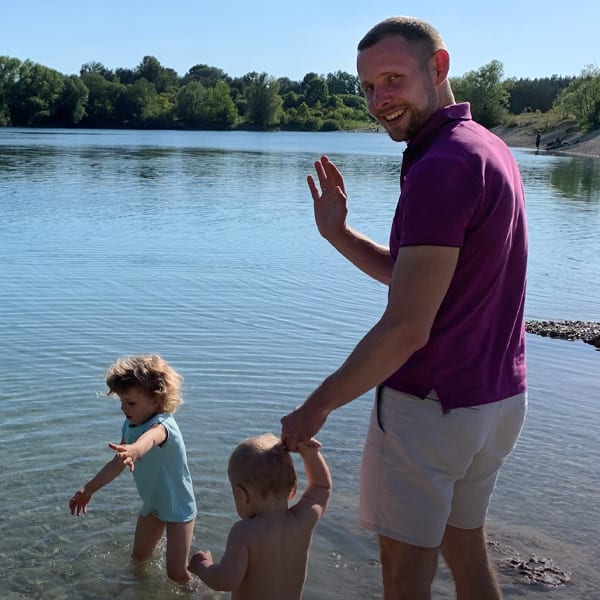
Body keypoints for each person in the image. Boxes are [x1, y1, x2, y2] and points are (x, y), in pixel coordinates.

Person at [281, 16, 527, 600]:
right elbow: (415, 279)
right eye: (367, 87)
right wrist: (339, 235)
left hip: (432, 405)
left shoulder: (441, 165)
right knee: (465, 547)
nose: (378, 99)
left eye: (392, 78)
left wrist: (315, 409)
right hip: (495, 400)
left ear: (438, 68)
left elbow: (407, 327)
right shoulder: (484, 147)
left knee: (403, 574)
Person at [69, 355, 197, 583]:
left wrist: (135, 450)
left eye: (131, 403)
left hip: (179, 508)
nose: (123, 408)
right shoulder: (130, 424)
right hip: (153, 504)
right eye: (121, 401)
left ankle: (207, 593)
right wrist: (88, 489)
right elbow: (116, 464)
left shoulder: (163, 426)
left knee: (176, 573)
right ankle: (139, 590)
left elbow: (150, 439)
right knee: (138, 557)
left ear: (156, 400)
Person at [189, 433, 331, 599]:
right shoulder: (303, 520)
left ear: (242, 495)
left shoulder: (245, 532)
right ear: (293, 489)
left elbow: (226, 581)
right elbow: (321, 487)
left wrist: (202, 566)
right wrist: (310, 454)